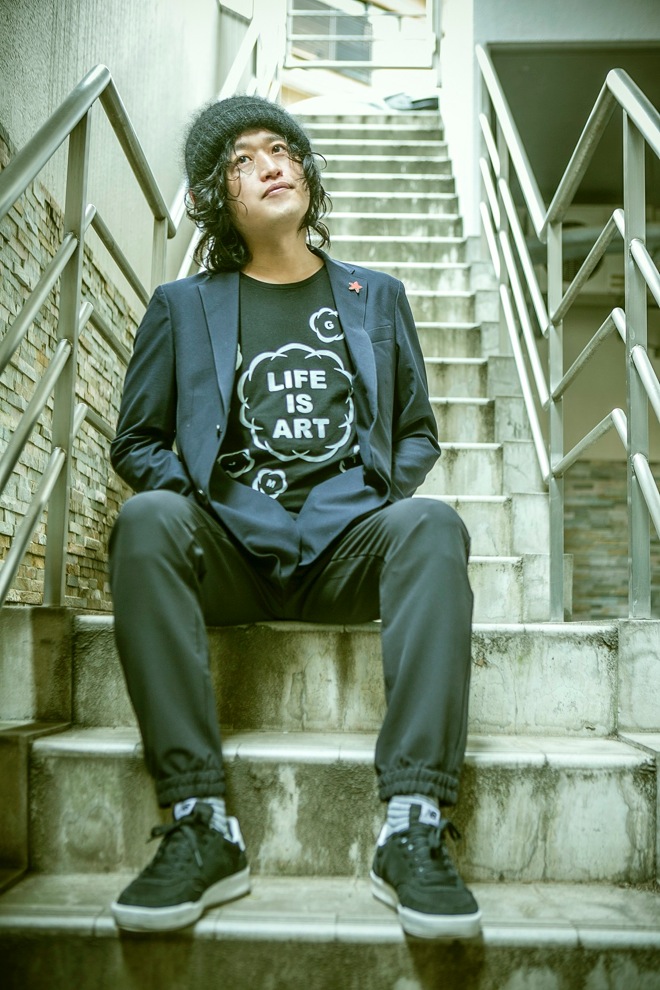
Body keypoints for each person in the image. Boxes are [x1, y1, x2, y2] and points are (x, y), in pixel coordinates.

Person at [108, 95, 480, 939]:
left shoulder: (376, 297)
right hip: (229, 552)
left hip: (348, 550)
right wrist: (207, 502)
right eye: (243, 160)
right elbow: (137, 440)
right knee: (146, 520)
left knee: (432, 525)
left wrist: (371, 496)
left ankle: (413, 821)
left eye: (281, 148)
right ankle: (201, 820)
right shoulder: (182, 305)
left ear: (305, 170)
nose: (271, 164)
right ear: (216, 196)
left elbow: (416, 432)